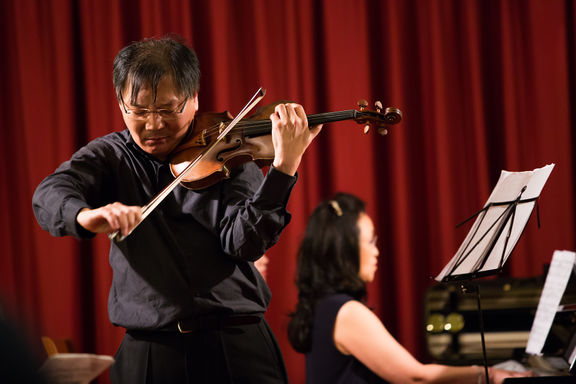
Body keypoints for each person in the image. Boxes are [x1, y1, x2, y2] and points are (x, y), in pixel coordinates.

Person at [32, 35, 321, 383]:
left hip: (235, 347)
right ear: (120, 103)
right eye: (138, 111)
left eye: (168, 109)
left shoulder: (226, 149)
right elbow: (50, 192)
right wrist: (84, 215)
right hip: (151, 354)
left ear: (194, 99)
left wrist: (284, 168)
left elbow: (243, 243)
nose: (153, 125)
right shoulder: (112, 156)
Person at [287, 193, 532, 384]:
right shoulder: (345, 311)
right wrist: (490, 374)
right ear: (344, 249)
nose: (377, 251)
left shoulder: (327, 306)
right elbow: (415, 377)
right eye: (370, 241)